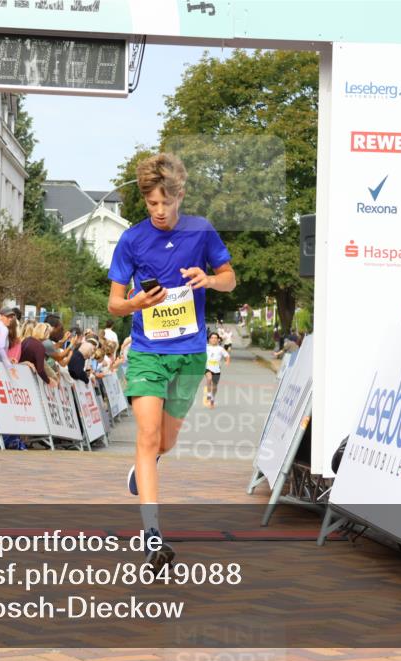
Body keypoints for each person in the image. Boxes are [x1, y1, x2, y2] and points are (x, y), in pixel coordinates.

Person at [106, 152, 236, 571]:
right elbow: (113, 305)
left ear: (180, 196)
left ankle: (143, 470)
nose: (159, 212)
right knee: (146, 438)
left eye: (166, 203)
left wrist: (210, 279)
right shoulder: (132, 239)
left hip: (190, 355)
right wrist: (136, 302)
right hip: (147, 352)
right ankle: (152, 535)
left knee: (165, 442)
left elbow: (230, 278)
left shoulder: (201, 232)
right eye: (151, 205)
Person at [203, 331, 230, 409]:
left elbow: (227, 356)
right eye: (212, 338)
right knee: (209, 378)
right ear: (209, 339)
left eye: (215, 338)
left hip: (216, 369)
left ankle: (212, 398)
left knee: (214, 386)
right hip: (207, 367)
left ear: (218, 340)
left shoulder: (220, 349)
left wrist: (227, 361)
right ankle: (208, 394)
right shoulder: (205, 347)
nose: (214, 339)